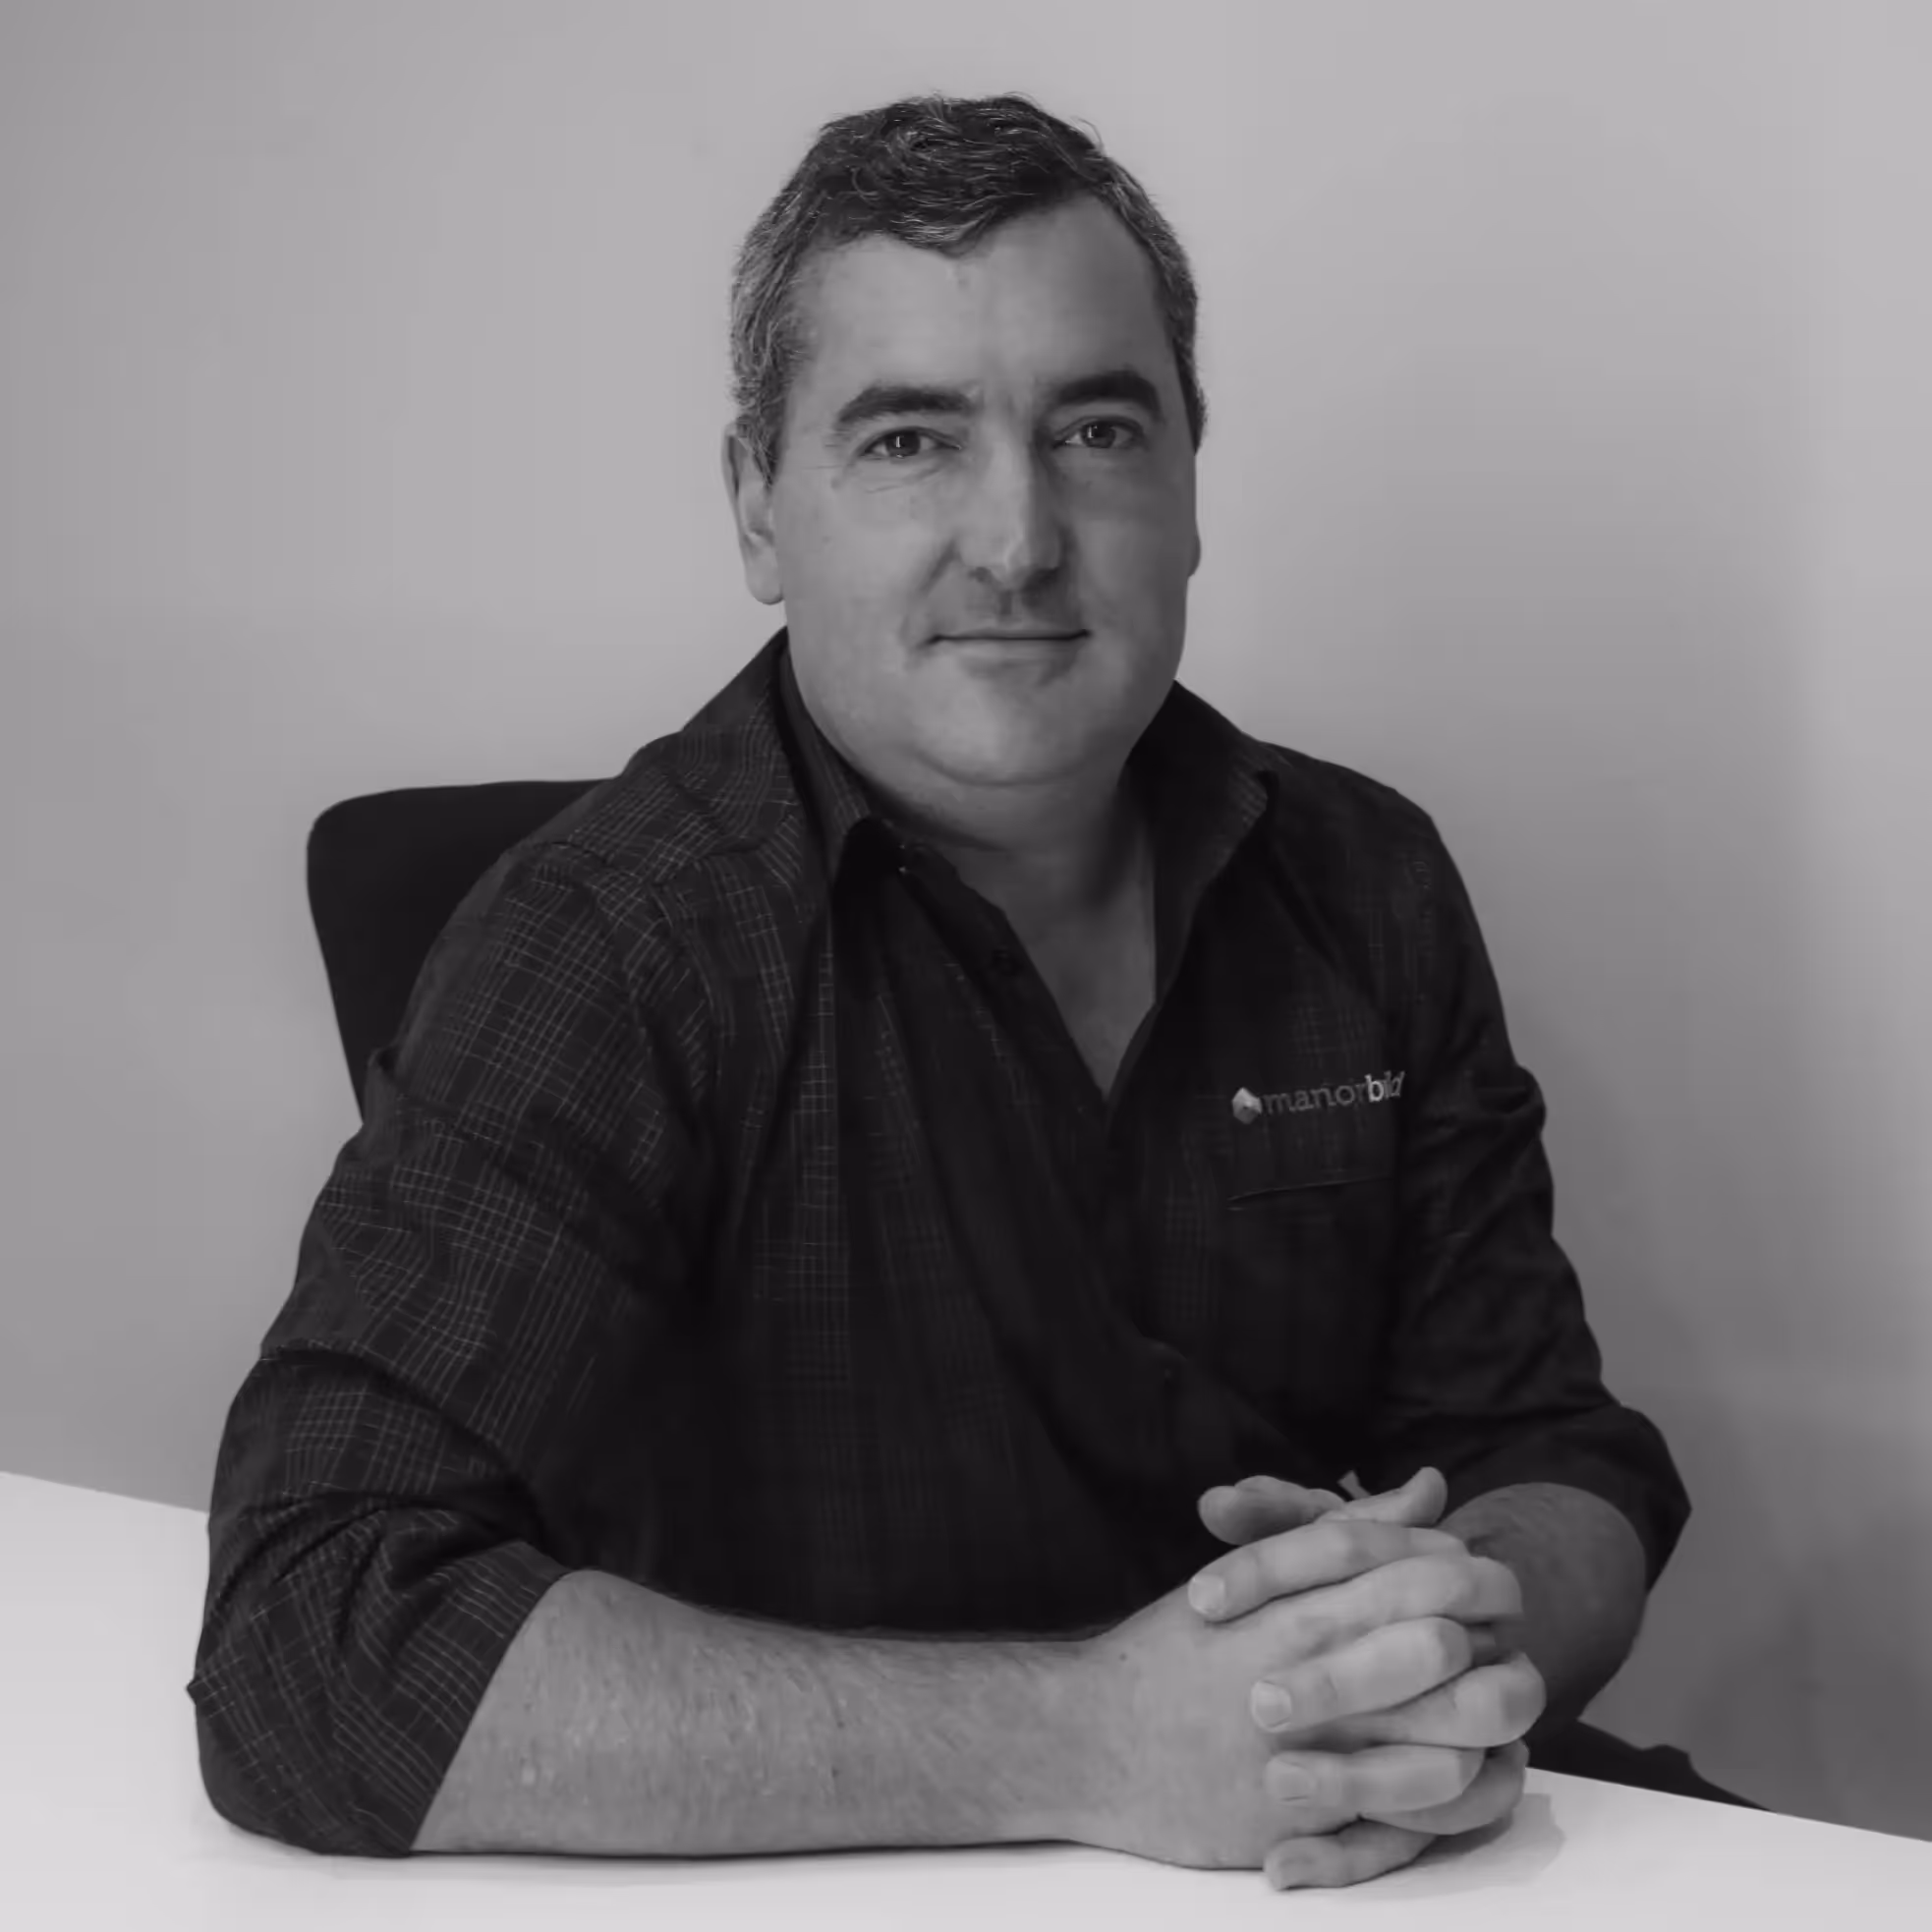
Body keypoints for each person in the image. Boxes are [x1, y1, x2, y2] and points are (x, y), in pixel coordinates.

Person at [189, 91, 1749, 1892]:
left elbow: (1550, 1450)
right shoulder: (605, 943)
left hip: (1337, 1845)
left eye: (1095, 425)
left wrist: (1454, 1630)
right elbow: (308, 1630)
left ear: (1185, 480)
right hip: (839, 1875)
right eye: (910, 438)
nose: (1017, 536)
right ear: (758, 508)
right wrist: (1094, 1735)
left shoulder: (1366, 877)